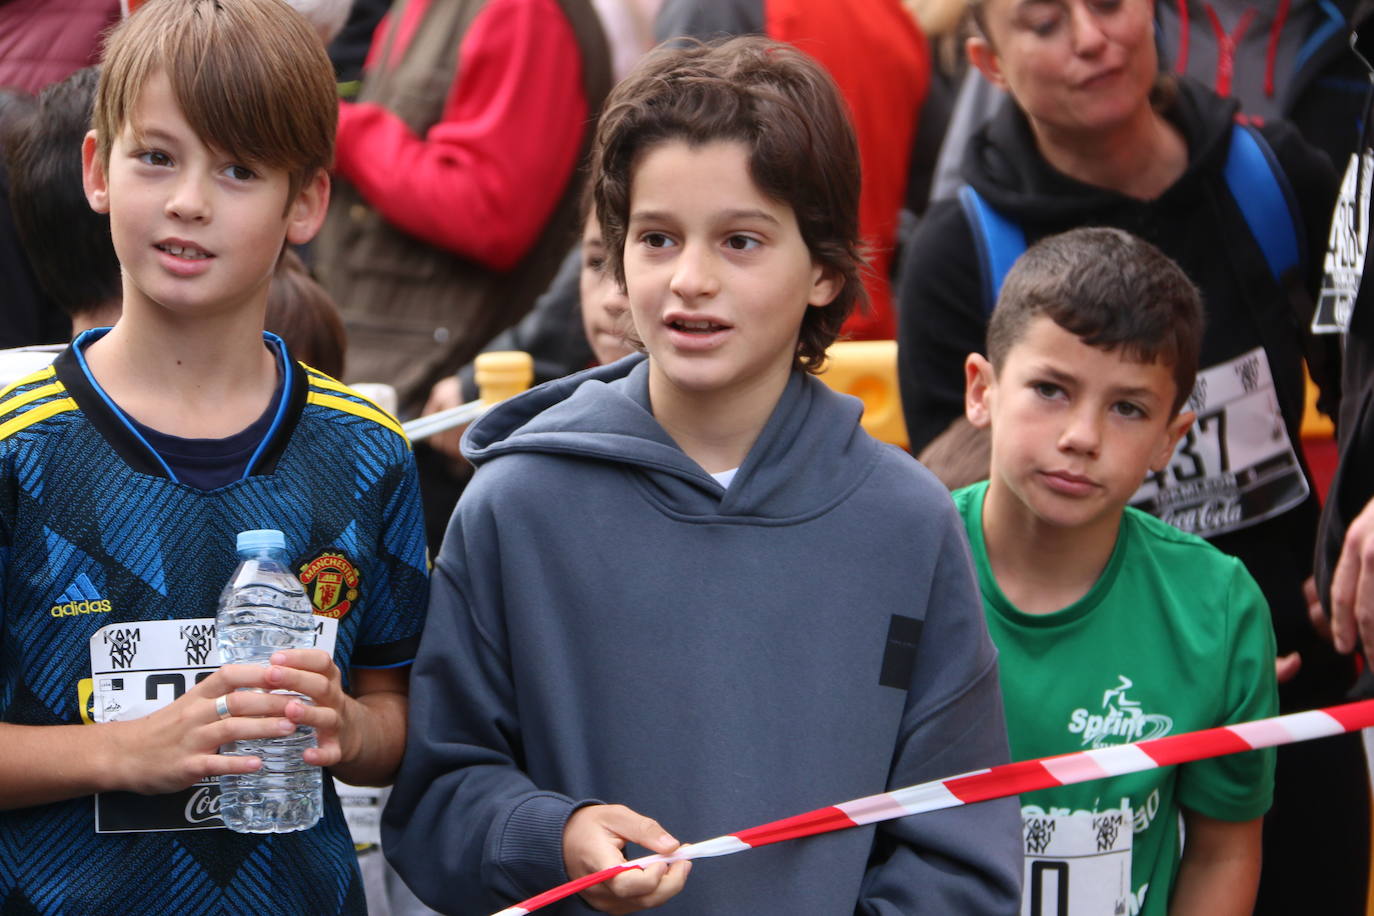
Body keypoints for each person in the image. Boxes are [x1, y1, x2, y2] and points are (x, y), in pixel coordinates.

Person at [382, 35, 1022, 915]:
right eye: (655, 238)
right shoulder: (514, 507)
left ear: (828, 271)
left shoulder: (908, 522)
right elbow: (437, 799)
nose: (689, 279)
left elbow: (960, 846)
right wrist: (551, 837)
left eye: (741, 241)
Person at [894, 0, 1364, 906]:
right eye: (1043, 23)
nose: (1090, 38)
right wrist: (1157, 660)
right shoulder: (963, 249)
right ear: (989, 65)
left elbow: (1358, 371)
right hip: (1064, 701)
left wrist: (1352, 521)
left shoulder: (1273, 176)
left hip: (1288, 676)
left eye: (1109, 5)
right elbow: (945, 490)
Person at [0, 2, 430, 913]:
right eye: (156, 156)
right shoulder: (16, 448)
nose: (190, 199)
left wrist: (348, 727)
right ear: (97, 169)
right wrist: (124, 750)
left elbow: (398, 714)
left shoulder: (368, 453)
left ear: (306, 201)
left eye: (239, 168)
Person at [958, 227, 1278, 916]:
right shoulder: (899, 568)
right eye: (1050, 389)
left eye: (1128, 407)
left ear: (1171, 436)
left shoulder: (1217, 609)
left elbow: (1224, 849)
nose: (1082, 436)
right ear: (981, 390)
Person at [311, 0, 614, 419]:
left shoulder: (524, 12)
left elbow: (489, 214)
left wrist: (341, 129)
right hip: (386, 372)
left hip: (445, 395)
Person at [655, 0, 930, 340]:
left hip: (747, 331)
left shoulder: (720, 8)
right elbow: (921, 196)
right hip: (860, 325)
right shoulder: (896, 21)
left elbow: (669, 171)